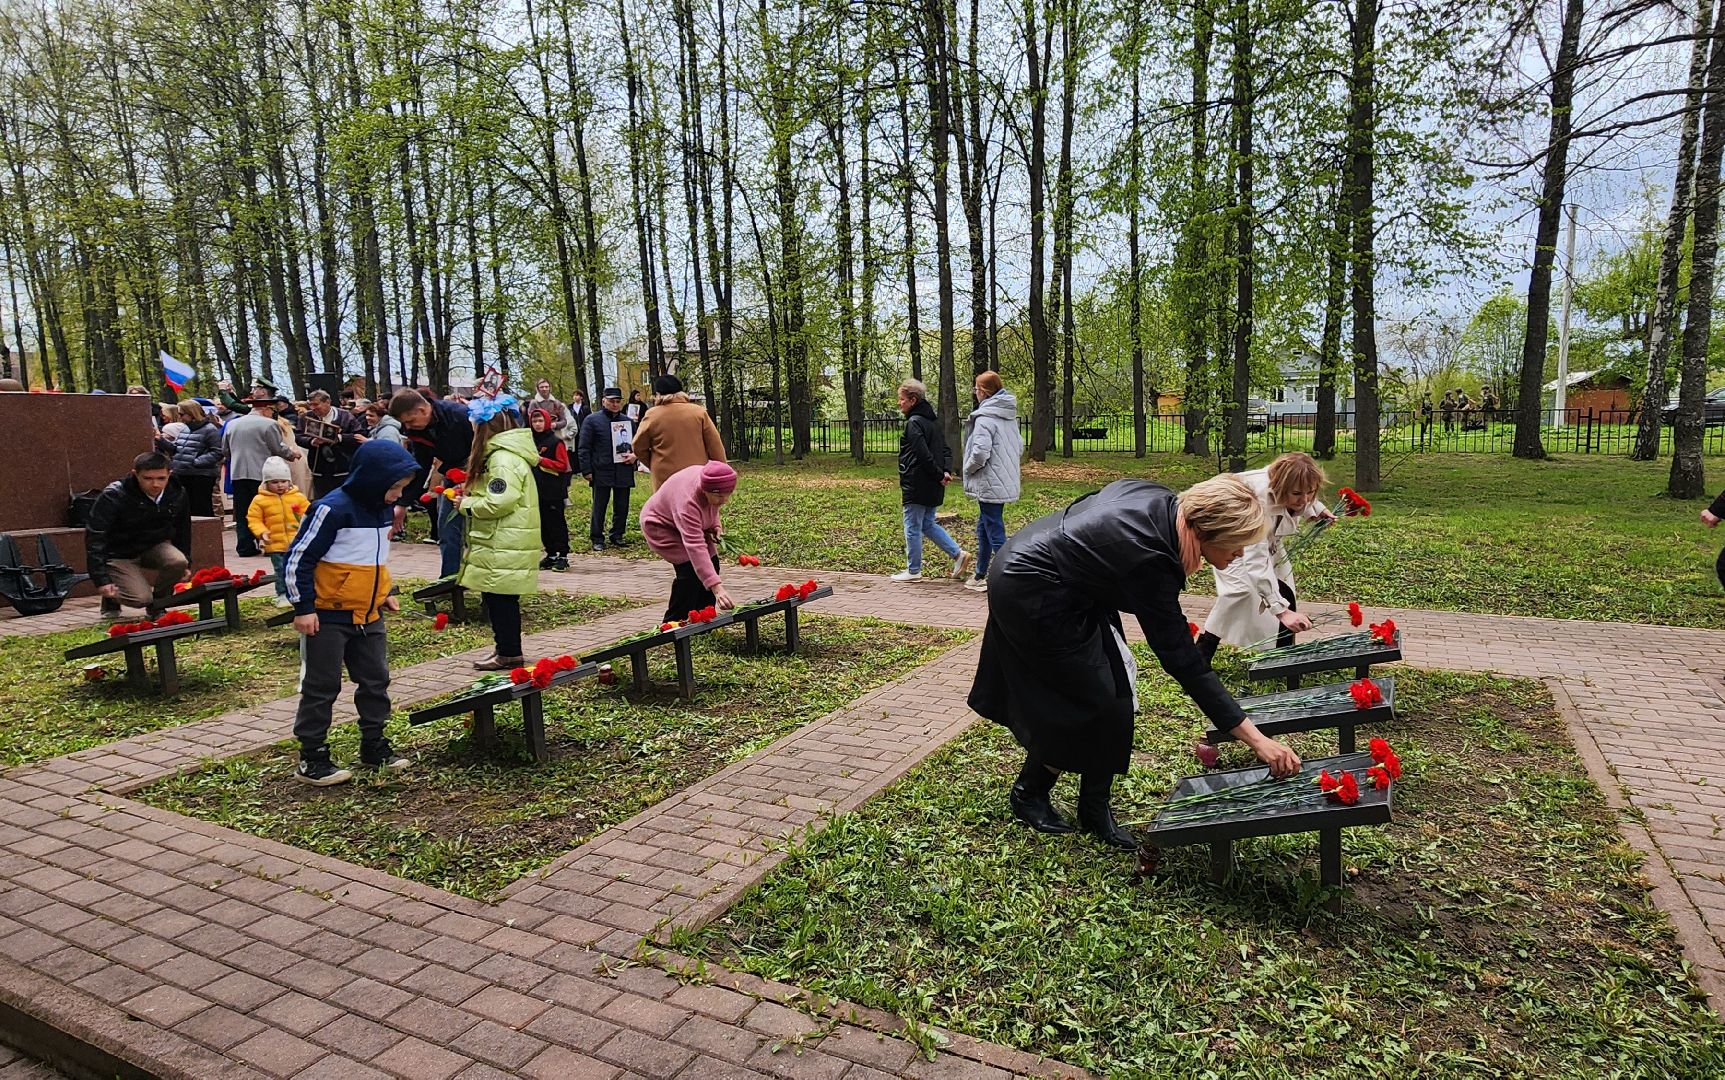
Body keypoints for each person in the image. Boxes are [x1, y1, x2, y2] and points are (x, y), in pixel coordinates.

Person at [968, 474, 1302, 851]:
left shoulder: (1166, 503)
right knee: (1091, 700)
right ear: (1206, 530)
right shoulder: (1150, 560)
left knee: (1115, 689)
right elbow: (1184, 662)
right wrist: (1257, 740)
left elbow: (1095, 499)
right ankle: (1032, 793)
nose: (1240, 554)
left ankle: (1092, 808)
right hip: (1032, 588)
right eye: (1237, 545)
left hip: (1067, 579)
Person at [283, 440, 419, 785]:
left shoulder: (384, 511)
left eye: (402, 489)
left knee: (375, 680)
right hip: (328, 616)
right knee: (322, 685)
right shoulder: (332, 509)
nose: (396, 496)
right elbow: (298, 558)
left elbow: (372, 559)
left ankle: (373, 745)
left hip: (369, 615)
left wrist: (383, 591)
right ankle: (312, 756)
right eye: (393, 488)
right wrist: (304, 607)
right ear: (371, 479)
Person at [1197, 453, 1333, 660]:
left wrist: (1316, 509)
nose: (1304, 499)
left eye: (1310, 493)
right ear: (1280, 487)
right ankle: (1201, 653)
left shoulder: (1291, 485)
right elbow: (1256, 561)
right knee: (1238, 593)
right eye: (1297, 494)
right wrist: (1281, 611)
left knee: (1284, 587)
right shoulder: (1256, 497)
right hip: (1230, 540)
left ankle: (1283, 655)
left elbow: (1302, 492)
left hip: (1268, 539)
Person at [452, 396, 541, 670]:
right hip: (504, 538)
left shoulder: (501, 459)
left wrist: (466, 505)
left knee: (501, 599)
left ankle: (509, 651)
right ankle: (505, 648)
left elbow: (500, 500)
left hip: (503, 538)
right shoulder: (503, 455)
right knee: (498, 597)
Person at [84, 451, 192, 620]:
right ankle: (111, 598)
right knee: (141, 598)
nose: (155, 484)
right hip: (119, 552)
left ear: (169, 474)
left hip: (153, 545)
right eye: (148, 478)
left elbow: (183, 529)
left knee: (178, 561)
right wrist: (101, 579)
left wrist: (187, 562)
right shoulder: (115, 494)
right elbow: (95, 535)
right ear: (135, 474)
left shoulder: (176, 492)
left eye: (161, 478)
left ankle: (159, 605)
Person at [389, 387, 475, 577]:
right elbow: (419, 467)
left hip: (481, 472)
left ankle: (483, 581)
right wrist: (402, 504)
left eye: (410, 421)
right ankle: (450, 580)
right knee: (447, 528)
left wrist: (471, 477)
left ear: (422, 410)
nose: (409, 427)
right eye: (405, 424)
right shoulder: (417, 431)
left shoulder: (460, 416)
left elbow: (484, 447)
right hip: (453, 477)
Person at [891, 378, 970, 583]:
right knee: (927, 523)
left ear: (913, 400)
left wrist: (937, 474)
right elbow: (945, 450)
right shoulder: (932, 422)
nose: (899, 403)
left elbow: (921, 453)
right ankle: (958, 554)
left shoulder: (914, 423)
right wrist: (943, 472)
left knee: (912, 526)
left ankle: (914, 570)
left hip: (917, 483)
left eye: (902, 399)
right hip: (933, 483)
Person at [641, 460, 738, 623]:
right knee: (689, 572)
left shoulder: (711, 479)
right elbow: (696, 547)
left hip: (681, 521)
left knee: (712, 563)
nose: (725, 500)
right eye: (720, 496)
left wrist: (715, 525)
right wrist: (718, 589)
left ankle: (704, 619)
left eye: (728, 494)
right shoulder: (687, 503)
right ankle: (673, 623)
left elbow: (711, 507)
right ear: (705, 489)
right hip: (661, 526)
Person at [960, 371, 1022, 593]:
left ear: (984, 391)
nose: (975, 393)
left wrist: (967, 469)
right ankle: (980, 574)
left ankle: (1013, 577)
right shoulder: (1008, 417)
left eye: (976, 389)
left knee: (994, 530)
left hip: (989, 481)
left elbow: (979, 454)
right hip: (1002, 480)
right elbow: (1019, 446)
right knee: (984, 526)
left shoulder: (985, 418)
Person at [222, 394, 294, 557]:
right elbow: (277, 448)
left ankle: (244, 546)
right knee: (268, 510)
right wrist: (292, 454)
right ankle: (271, 545)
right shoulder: (269, 424)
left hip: (238, 473)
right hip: (263, 474)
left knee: (243, 511)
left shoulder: (232, 424)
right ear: (267, 409)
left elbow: (225, 450)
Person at [631, 374, 727, 489]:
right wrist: (722, 470)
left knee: (667, 506)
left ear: (658, 394)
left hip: (665, 476)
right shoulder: (699, 413)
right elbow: (714, 445)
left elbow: (638, 446)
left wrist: (652, 462)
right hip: (696, 474)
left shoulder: (653, 415)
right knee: (695, 504)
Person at [577, 387, 637, 550]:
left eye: (618, 401)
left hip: (623, 469)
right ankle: (597, 537)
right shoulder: (592, 420)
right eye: (611, 401)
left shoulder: (628, 422)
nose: (615, 404)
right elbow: (583, 447)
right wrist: (586, 470)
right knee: (599, 504)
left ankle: (617, 534)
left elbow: (637, 445)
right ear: (604, 401)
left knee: (622, 505)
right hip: (601, 469)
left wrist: (635, 457)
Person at [246, 456, 311, 606]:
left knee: (299, 568)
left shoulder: (298, 497)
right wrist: (261, 532)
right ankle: (282, 593)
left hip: (297, 542)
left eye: (283, 481)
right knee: (281, 569)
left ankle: (300, 592)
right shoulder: (259, 500)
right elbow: (253, 518)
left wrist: (305, 528)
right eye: (275, 482)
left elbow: (308, 514)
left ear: (289, 481)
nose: (280, 485)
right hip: (275, 543)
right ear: (266, 483)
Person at [295, 390, 367, 500]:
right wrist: (312, 442)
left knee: (344, 499)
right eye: (311, 405)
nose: (313, 408)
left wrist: (339, 438)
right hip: (318, 468)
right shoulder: (306, 418)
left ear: (328, 402)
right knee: (323, 499)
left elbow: (359, 435)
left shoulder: (345, 416)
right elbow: (298, 437)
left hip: (342, 467)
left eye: (316, 404)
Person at [529, 406, 572, 571]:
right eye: (534, 421)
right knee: (543, 523)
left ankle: (562, 555)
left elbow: (562, 465)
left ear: (547, 421)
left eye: (540, 421)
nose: (537, 424)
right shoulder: (530, 441)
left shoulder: (555, 442)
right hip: (536, 489)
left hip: (554, 489)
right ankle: (551, 553)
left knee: (556, 522)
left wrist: (541, 461)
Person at [166, 399, 224, 520]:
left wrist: (195, 462)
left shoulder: (210, 429)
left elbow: (218, 452)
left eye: (182, 414)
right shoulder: (185, 429)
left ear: (192, 413)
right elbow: (177, 449)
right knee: (186, 508)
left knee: (201, 509)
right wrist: (161, 441)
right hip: (183, 473)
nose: (180, 418)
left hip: (200, 476)